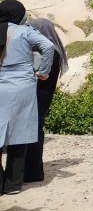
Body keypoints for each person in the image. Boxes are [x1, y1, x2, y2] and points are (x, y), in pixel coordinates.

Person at [0, 1, 54, 195]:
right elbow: (48, 46)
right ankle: (13, 184)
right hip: (21, 84)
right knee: (19, 133)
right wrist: (44, 71)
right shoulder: (24, 31)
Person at [24, 18, 66, 183]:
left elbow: (39, 75)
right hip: (43, 95)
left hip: (38, 94)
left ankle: (32, 172)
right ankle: (32, 171)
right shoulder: (54, 50)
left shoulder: (47, 52)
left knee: (33, 130)